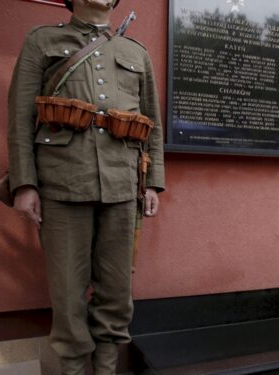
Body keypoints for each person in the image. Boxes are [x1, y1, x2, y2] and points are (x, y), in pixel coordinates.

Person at [8, 0, 165, 374]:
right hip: (62, 183)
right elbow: (19, 116)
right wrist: (24, 184)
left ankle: (107, 370)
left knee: (116, 297)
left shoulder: (135, 52)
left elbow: (152, 123)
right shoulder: (42, 40)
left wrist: (153, 183)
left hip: (122, 184)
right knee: (67, 298)